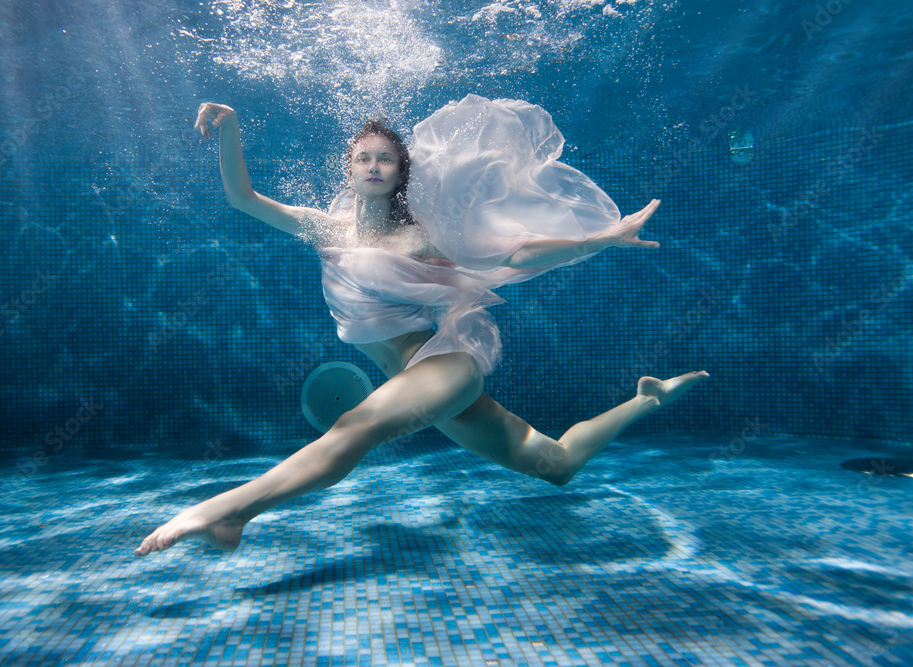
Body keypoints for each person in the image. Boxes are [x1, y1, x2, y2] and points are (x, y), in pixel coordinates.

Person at [134, 97, 708, 557]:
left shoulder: (423, 240)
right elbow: (243, 197)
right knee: (555, 464)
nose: (375, 166)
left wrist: (598, 239)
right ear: (350, 169)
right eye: (364, 158)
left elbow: (515, 251)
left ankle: (233, 510)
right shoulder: (324, 227)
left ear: (400, 172)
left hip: (446, 364)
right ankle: (646, 398)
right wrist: (232, 129)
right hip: (413, 379)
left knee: (355, 427)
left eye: (386, 158)